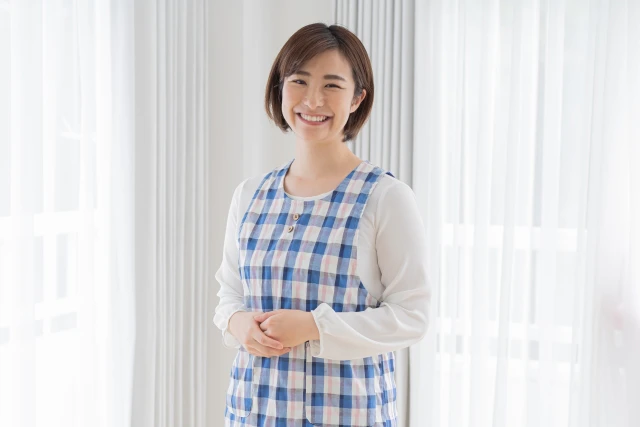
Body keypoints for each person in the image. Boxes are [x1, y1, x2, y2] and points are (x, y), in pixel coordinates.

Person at [214, 22, 430, 427]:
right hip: (253, 411)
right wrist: (237, 322)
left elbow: (412, 316)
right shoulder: (249, 195)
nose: (313, 100)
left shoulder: (385, 197)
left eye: (332, 85)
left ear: (357, 98)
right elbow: (230, 293)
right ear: (280, 88)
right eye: (299, 81)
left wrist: (314, 326)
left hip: (348, 414)